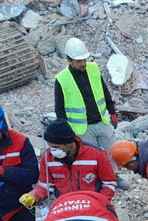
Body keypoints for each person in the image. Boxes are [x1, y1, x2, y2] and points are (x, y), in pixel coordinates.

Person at [54, 37, 123, 185]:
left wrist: (112, 111)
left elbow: (104, 91)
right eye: (79, 61)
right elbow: (59, 109)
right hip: (81, 128)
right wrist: (65, 132)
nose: (83, 63)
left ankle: (113, 177)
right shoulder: (62, 79)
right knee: (91, 157)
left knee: (113, 152)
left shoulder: (93, 69)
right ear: (69, 61)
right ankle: (97, 181)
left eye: (84, 59)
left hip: (101, 121)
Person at [19, 118, 117, 208]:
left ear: (69, 143)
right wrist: (33, 195)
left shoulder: (96, 154)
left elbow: (109, 183)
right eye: (50, 146)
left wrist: (100, 202)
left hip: (92, 204)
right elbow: (45, 185)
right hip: (65, 206)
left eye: (56, 147)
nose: (53, 150)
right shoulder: (48, 157)